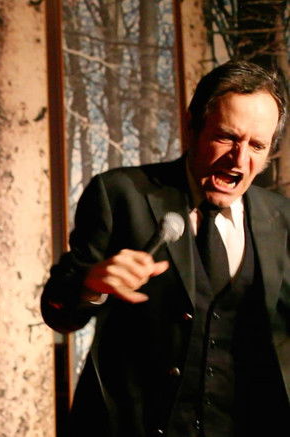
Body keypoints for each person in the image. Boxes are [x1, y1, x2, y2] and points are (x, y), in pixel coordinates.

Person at [42, 60, 290, 437]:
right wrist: (91, 285)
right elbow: (58, 309)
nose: (239, 159)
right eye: (226, 137)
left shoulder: (282, 220)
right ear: (192, 126)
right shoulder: (121, 194)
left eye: (257, 145)